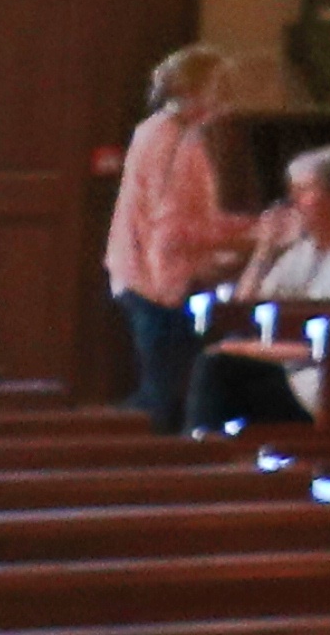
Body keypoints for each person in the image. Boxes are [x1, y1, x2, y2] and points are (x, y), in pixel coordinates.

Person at [188, 147, 330, 435]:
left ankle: (205, 457)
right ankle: (214, 456)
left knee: (221, 369)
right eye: (293, 191)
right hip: (297, 371)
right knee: (219, 366)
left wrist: (248, 349)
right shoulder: (303, 251)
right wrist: (264, 250)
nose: (295, 202)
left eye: (306, 190)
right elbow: (245, 308)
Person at [99, 45, 242, 427]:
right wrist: (252, 234)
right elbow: (171, 229)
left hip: (147, 276)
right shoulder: (172, 140)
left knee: (164, 394)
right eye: (222, 85)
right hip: (155, 283)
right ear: (194, 89)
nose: (230, 95)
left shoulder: (161, 131)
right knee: (162, 402)